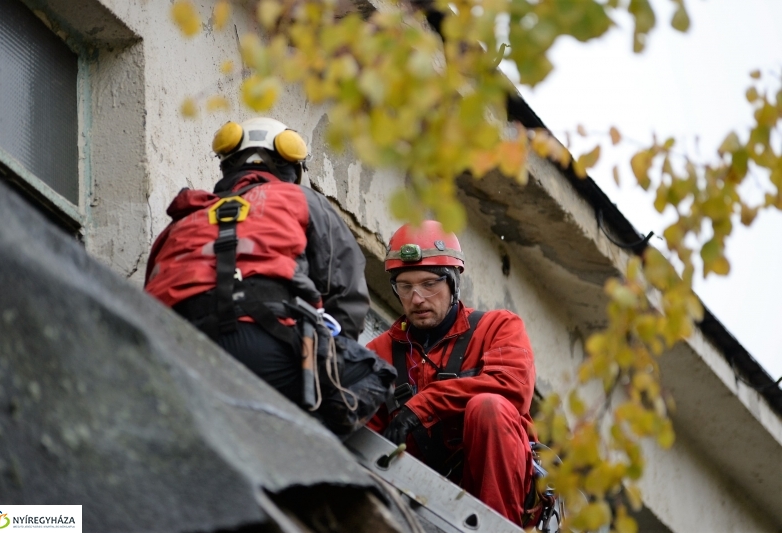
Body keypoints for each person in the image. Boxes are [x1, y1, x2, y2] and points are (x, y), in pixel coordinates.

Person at [144, 117, 370, 408]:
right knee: (374, 375)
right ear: (293, 171)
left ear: (227, 166)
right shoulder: (303, 200)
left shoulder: (183, 220)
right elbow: (345, 292)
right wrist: (329, 366)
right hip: (266, 345)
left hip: (171, 349)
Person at [366, 220, 536, 526]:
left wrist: (420, 407)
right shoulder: (379, 354)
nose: (417, 299)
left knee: (489, 407)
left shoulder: (498, 328)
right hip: (415, 507)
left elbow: (510, 388)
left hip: (497, 498)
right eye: (405, 286)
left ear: (454, 283)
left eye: (429, 284)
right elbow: (364, 438)